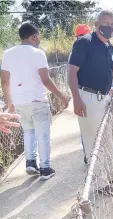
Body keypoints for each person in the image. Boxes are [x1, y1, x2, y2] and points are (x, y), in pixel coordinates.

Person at [68, 10, 113, 188]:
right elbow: (72, 71)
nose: (109, 27)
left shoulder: (109, 47)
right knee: (94, 142)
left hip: (103, 97)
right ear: (97, 24)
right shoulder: (84, 43)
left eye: (112, 24)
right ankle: (100, 184)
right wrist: (77, 99)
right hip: (88, 99)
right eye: (105, 23)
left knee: (106, 140)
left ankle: (109, 177)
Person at [1, 22, 69, 180]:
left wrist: (10, 101)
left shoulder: (8, 53)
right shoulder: (38, 53)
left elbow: (4, 81)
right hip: (37, 100)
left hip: (19, 102)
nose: (38, 40)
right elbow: (45, 80)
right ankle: (45, 168)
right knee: (42, 134)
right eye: (37, 37)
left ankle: (30, 162)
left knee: (28, 131)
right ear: (33, 36)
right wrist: (62, 96)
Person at [71, 24, 113, 164]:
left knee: (99, 138)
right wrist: (76, 98)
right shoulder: (82, 46)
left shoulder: (106, 47)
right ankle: (100, 173)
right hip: (89, 96)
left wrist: (108, 88)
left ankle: (103, 173)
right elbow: (73, 74)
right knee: (96, 138)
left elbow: (107, 70)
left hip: (101, 95)